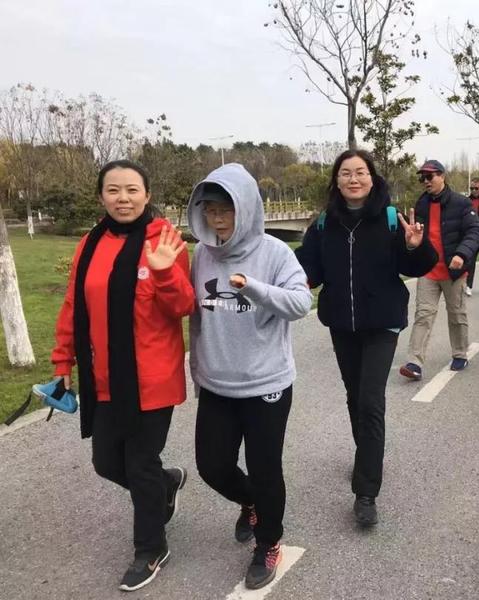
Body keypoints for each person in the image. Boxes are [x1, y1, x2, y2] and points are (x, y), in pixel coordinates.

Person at [51, 160, 195, 592]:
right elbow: (74, 307)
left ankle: (150, 548)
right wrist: (63, 363)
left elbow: (183, 306)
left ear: (147, 195)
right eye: (113, 190)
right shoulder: (90, 244)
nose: (123, 198)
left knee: (140, 463)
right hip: (105, 377)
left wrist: (164, 270)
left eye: (132, 190)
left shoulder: (165, 240)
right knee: (106, 463)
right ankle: (166, 484)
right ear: (101, 196)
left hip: (153, 379)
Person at [295, 150, 437, 526]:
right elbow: (308, 267)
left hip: (382, 323)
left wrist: (415, 245)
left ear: (372, 178)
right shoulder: (324, 223)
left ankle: (366, 492)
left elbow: (418, 265)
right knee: (354, 396)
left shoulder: (390, 219)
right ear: (336, 181)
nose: (353, 179)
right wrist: (290, 279)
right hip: (342, 324)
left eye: (360, 172)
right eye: (346, 173)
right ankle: (368, 456)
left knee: (371, 401)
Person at [188, 163, 313, 589]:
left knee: (265, 469)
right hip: (217, 384)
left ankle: (269, 542)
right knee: (212, 467)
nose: (217, 219)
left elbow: (301, 304)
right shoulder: (202, 254)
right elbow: (195, 317)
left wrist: (255, 288)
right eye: (209, 210)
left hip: (265, 385)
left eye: (226, 210)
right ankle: (252, 503)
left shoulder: (275, 253)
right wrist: (196, 369)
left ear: (246, 208)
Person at [400, 159, 479, 379]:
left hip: (453, 271)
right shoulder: (421, 204)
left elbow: (475, 231)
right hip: (428, 270)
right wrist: (411, 243)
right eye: (422, 178)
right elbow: (417, 238)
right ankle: (414, 362)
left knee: (456, 314)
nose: (426, 181)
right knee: (423, 315)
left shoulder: (461, 203)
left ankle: (460, 353)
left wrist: (461, 254)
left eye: (430, 176)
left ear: (442, 176)